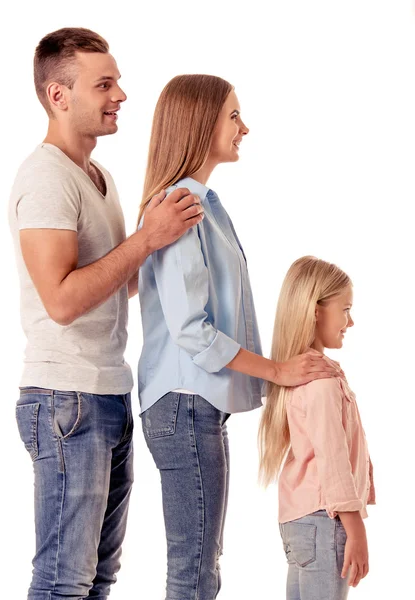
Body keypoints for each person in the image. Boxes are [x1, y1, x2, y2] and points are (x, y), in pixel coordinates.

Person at [8, 28, 203, 600]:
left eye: (117, 81)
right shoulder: (45, 177)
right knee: (64, 581)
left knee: (97, 579)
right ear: (58, 96)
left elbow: (120, 281)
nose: (120, 94)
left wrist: (168, 244)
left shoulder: (99, 178)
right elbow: (63, 301)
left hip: (107, 394)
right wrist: (146, 239)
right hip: (65, 398)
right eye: (105, 83)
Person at [136, 74, 338, 600]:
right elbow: (192, 332)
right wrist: (277, 371)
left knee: (203, 563)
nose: (244, 127)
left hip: (198, 407)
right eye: (233, 116)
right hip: (183, 405)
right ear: (201, 123)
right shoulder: (181, 205)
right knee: (195, 568)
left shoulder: (208, 204)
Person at [259, 256, 376, 600]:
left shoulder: (299, 375)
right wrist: (356, 531)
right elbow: (333, 457)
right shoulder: (322, 379)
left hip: (300, 522)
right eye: (345, 309)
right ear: (315, 310)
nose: (350, 321)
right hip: (324, 520)